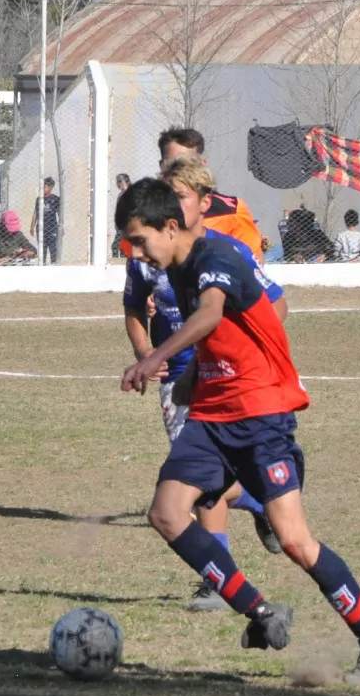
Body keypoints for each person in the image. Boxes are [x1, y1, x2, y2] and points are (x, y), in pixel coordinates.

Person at [117, 176, 360, 685]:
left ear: (170, 226)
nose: (136, 254)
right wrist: (191, 380)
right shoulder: (174, 267)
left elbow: (211, 314)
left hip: (261, 411)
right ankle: (261, 612)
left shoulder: (217, 256)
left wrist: (156, 358)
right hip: (212, 413)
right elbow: (220, 335)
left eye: (140, 240)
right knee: (166, 513)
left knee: (294, 540)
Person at [126, 156, 287, 613]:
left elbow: (275, 305)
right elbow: (133, 307)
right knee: (196, 482)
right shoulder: (147, 253)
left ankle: (218, 580)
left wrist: (239, 353)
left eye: (179, 195)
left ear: (202, 202)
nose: (171, 204)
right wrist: (145, 351)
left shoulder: (226, 251)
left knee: (196, 486)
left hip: (223, 378)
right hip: (176, 376)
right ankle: (256, 501)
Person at [158, 128, 264, 262]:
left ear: (202, 164)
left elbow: (253, 263)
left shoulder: (232, 212)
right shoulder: (147, 211)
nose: (178, 170)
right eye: (172, 163)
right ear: (161, 166)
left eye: (188, 163)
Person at [30, 177, 61, 264]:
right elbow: (35, 213)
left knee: (53, 248)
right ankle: (42, 264)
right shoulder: (39, 199)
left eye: (44, 187)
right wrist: (32, 227)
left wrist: (61, 226)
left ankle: (54, 265)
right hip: (40, 228)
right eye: (41, 186)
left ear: (51, 187)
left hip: (52, 227)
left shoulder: (56, 199)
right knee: (42, 249)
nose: (42, 188)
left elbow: (60, 213)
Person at [111, 173, 132, 257]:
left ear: (126, 182)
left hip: (126, 223)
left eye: (120, 181)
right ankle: (119, 260)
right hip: (120, 223)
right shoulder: (121, 194)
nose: (118, 184)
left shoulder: (130, 193)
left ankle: (122, 260)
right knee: (121, 245)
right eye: (118, 182)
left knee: (117, 246)